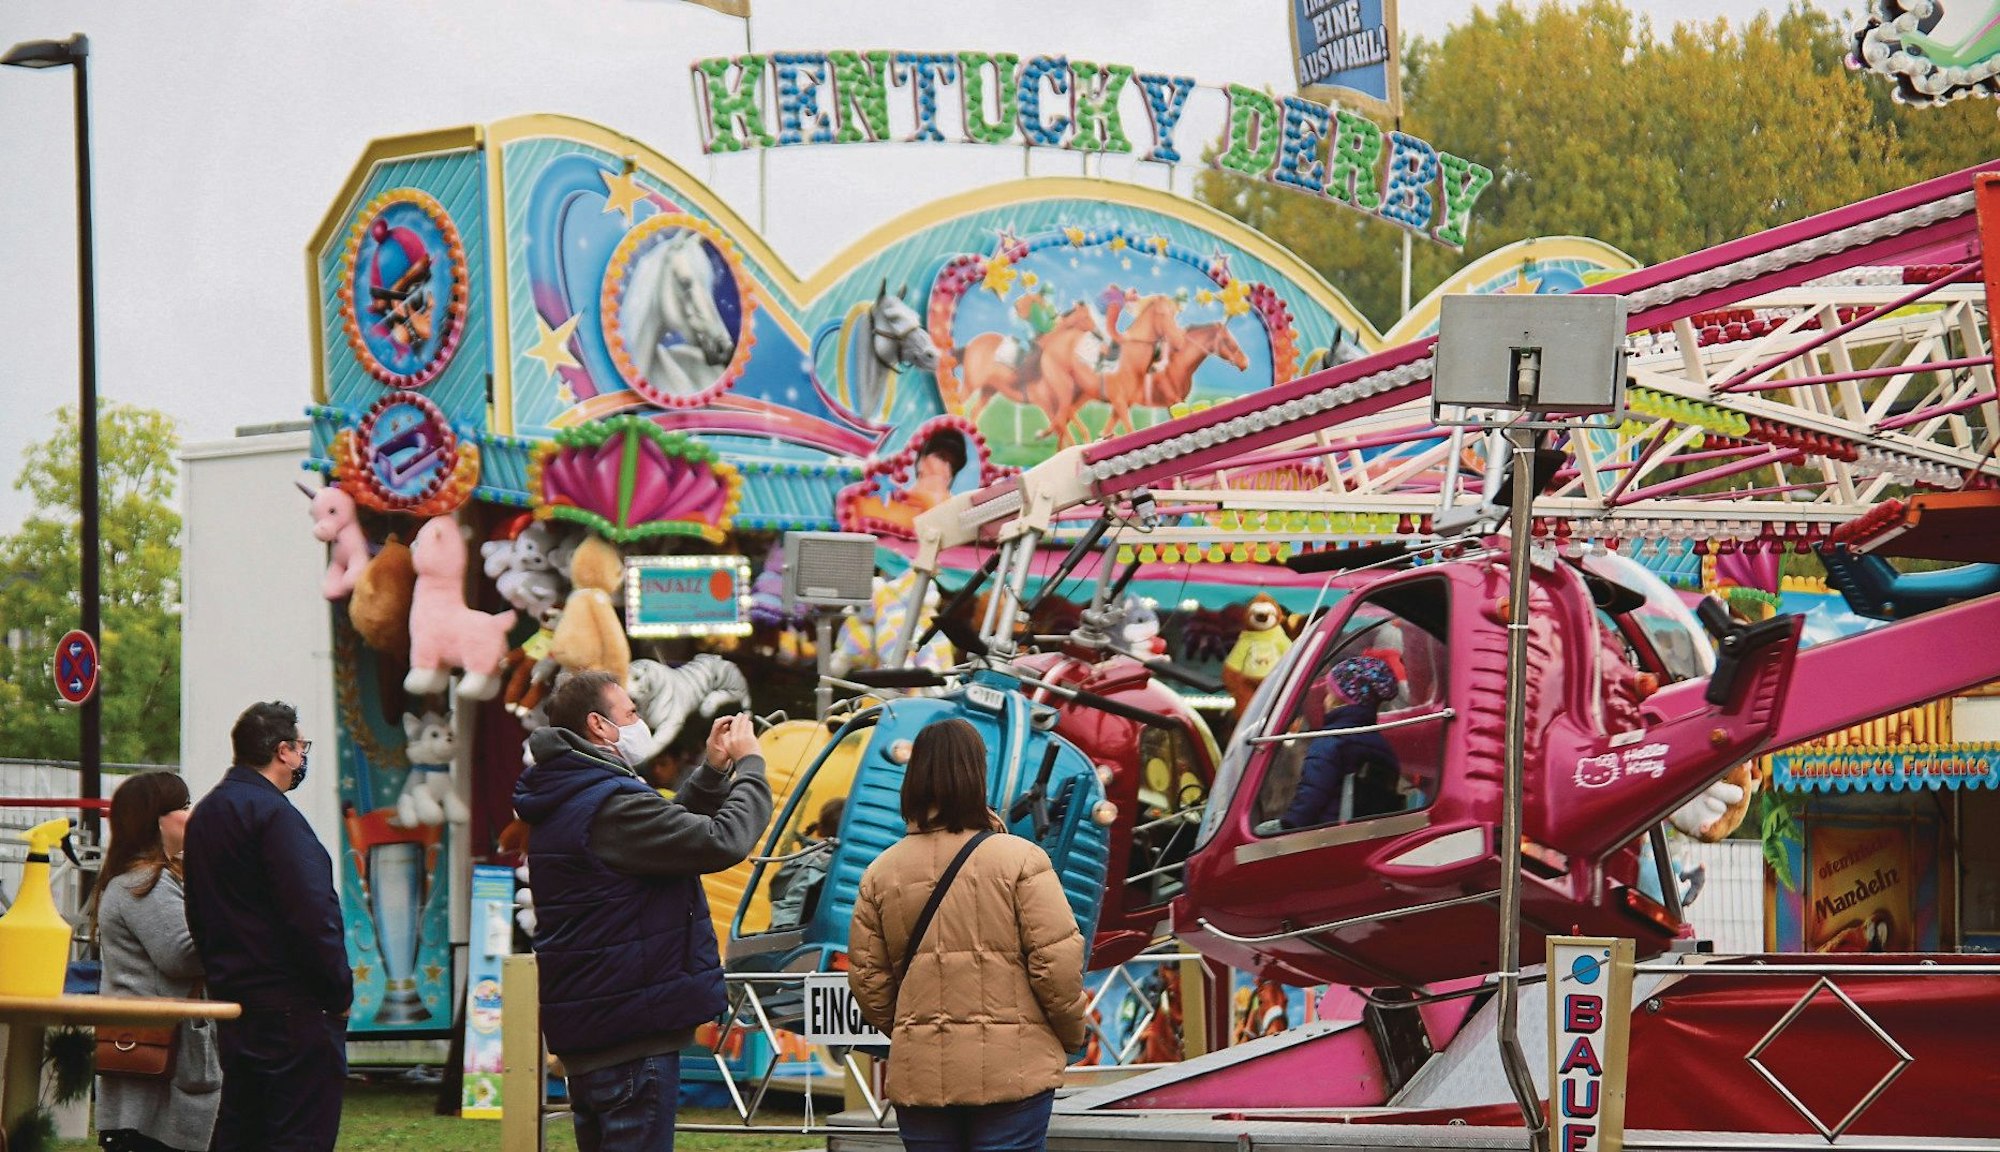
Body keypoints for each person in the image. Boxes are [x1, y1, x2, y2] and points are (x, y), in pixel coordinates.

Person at [512, 670, 771, 1152]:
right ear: (599, 725)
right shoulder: (608, 803)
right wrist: (751, 765)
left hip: (600, 1029)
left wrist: (712, 773)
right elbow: (721, 841)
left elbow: (663, 840)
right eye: (630, 712)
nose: (640, 721)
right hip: (630, 1035)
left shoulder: (576, 794)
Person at [847, 719, 1088, 1152]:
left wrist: (916, 1029)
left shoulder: (880, 873)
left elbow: (868, 981)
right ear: (977, 776)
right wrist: (1069, 1035)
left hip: (921, 1075)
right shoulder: (1021, 859)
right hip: (1013, 1072)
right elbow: (1057, 964)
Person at [184, 702, 351, 1152]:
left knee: (242, 1132)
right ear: (283, 751)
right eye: (301, 747)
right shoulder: (275, 816)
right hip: (294, 1009)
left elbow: (197, 910)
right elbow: (312, 913)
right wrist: (338, 993)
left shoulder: (206, 813)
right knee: (298, 1135)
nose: (302, 757)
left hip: (235, 1006)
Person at [89, 772, 221, 1152]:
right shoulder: (144, 882)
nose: (191, 815)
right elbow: (181, 955)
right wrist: (236, 924)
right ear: (156, 820)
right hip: (152, 1086)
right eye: (184, 806)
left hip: (154, 1077)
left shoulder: (152, 878)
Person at [1280, 655, 1404, 830]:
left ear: (1339, 701)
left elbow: (1312, 793)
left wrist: (1290, 824)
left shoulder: (1332, 741)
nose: (1324, 699)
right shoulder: (1380, 745)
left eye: (1328, 693)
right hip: (1364, 832)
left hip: (1326, 833)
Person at [768, 796, 844, 930]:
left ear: (821, 828)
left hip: (784, 929)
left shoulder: (803, 857)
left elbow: (775, 892)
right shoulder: (845, 865)